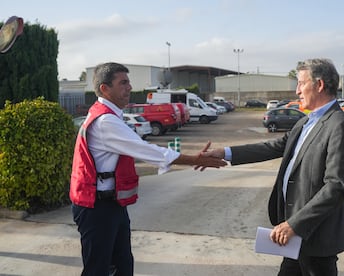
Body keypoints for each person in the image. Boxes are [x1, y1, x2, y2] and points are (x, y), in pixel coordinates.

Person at [200, 58, 344, 275]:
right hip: (293, 236)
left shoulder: (339, 125)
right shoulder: (305, 122)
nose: (297, 91)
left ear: (319, 85)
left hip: (315, 238)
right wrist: (225, 153)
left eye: (301, 83)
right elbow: (272, 147)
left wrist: (295, 224)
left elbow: (336, 187)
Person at [69, 62, 227, 276]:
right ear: (105, 89)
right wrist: (194, 159)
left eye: (129, 82)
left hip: (109, 204)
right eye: (123, 83)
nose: (129, 87)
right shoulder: (106, 121)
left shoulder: (106, 114)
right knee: (99, 269)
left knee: (122, 265)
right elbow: (148, 151)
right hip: (98, 208)